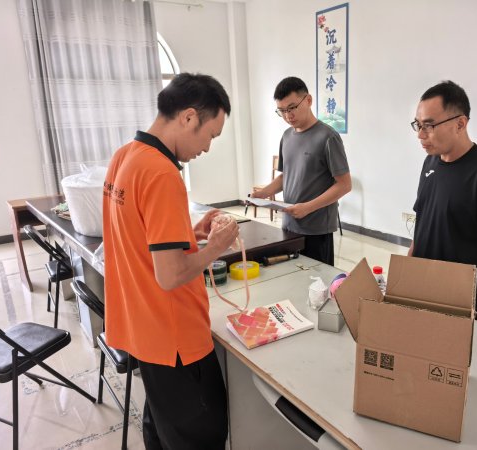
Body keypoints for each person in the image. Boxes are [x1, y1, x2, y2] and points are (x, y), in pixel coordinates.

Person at [102, 73, 239, 449]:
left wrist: (191, 233)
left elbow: (136, 238)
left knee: (163, 428)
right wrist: (216, 247)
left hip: (144, 329)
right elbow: (170, 275)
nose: (207, 148)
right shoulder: (162, 173)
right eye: (210, 135)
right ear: (189, 117)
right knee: (201, 434)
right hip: (176, 339)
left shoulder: (124, 157)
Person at [408, 80, 477, 326]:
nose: (420, 134)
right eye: (418, 125)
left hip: (462, 298)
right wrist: (408, 269)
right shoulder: (430, 162)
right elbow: (423, 221)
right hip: (425, 287)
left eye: (429, 125)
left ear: (460, 123)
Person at [252, 76, 351, 265]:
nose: (288, 115)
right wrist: (263, 193)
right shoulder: (286, 136)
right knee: (292, 277)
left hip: (317, 230)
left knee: (318, 279)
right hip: (289, 226)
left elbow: (344, 185)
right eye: (282, 111)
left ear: (308, 100)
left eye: (292, 108)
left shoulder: (328, 137)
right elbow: (286, 175)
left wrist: (307, 208)